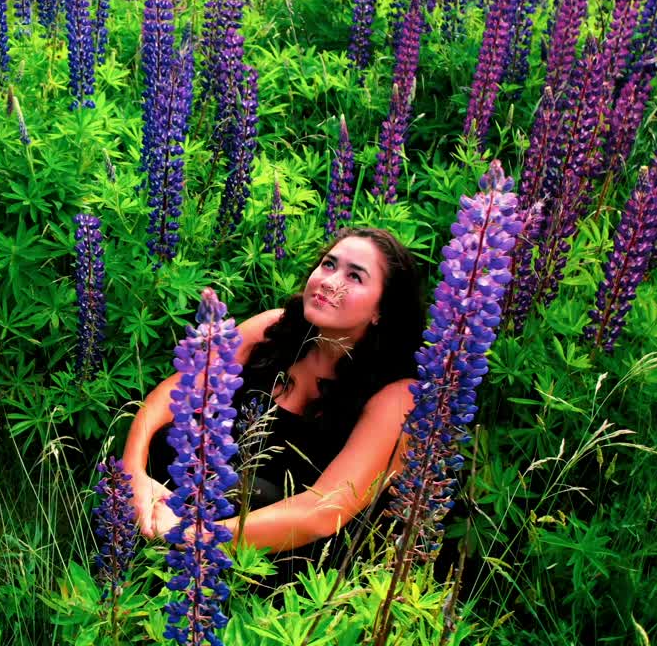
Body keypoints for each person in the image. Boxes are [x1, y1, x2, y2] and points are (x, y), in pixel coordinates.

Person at [120, 227, 427, 591]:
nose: (330, 282)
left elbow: (321, 515)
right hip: (208, 512)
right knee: (167, 439)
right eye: (329, 265)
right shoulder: (273, 328)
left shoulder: (397, 394)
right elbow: (174, 394)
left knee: (248, 489)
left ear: (381, 311)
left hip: (300, 562)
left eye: (354, 276)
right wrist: (133, 475)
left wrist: (195, 535)